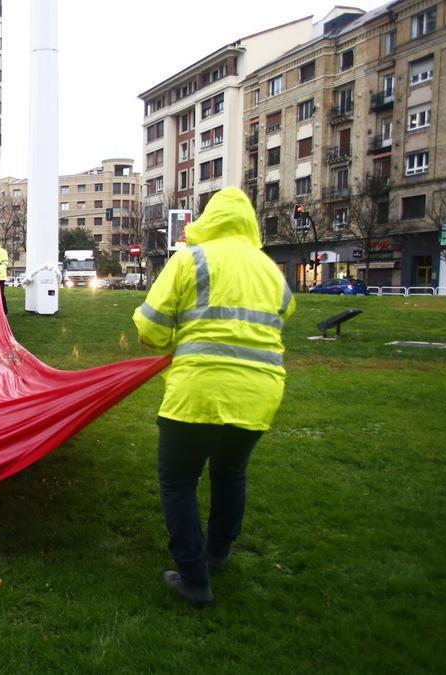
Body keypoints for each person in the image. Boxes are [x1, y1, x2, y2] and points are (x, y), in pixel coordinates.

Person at [132, 187, 295, 608]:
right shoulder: (270, 270)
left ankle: (193, 578)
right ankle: (218, 553)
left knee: (180, 482)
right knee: (230, 473)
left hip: (198, 391)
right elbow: (285, 313)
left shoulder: (191, 259)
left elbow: (150, 326)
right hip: (259, 393)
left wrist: (177, 338)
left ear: (210, 219)